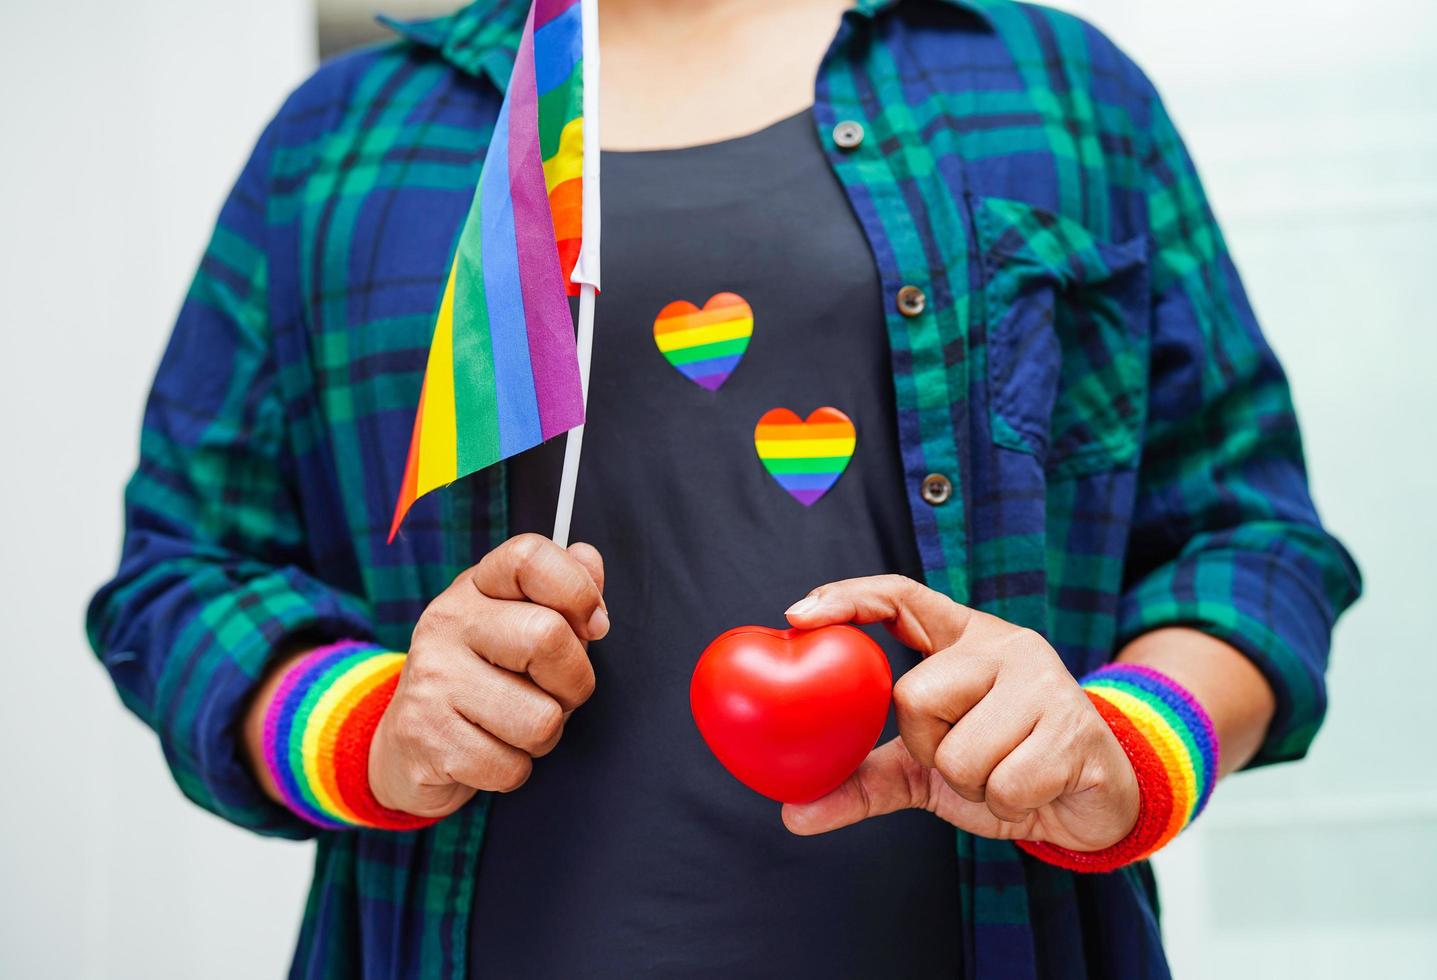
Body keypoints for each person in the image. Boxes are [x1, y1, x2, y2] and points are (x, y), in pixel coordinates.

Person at [87, 0, 1361, 976]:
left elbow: (1251, 543)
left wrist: (1123, 746)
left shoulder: (1064, 91)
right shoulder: (342, 143)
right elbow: (181, 574)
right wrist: (368, 725)